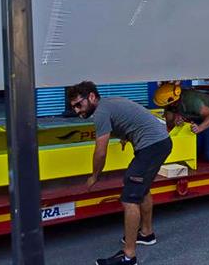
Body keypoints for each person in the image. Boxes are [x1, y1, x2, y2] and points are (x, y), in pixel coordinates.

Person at [67, 81, 172, 265]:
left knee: (129, 197)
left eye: (78, 104)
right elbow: (130, 118)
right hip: (159, 142)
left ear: (91, 97)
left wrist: (94, 176)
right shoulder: (108, 104)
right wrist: (126, 137)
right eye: (73, 107)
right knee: (141, 188)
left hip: (153, 145)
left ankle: (128, 256)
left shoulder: (100, 112)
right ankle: (146, 233)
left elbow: (101, 151)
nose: (77, 110)